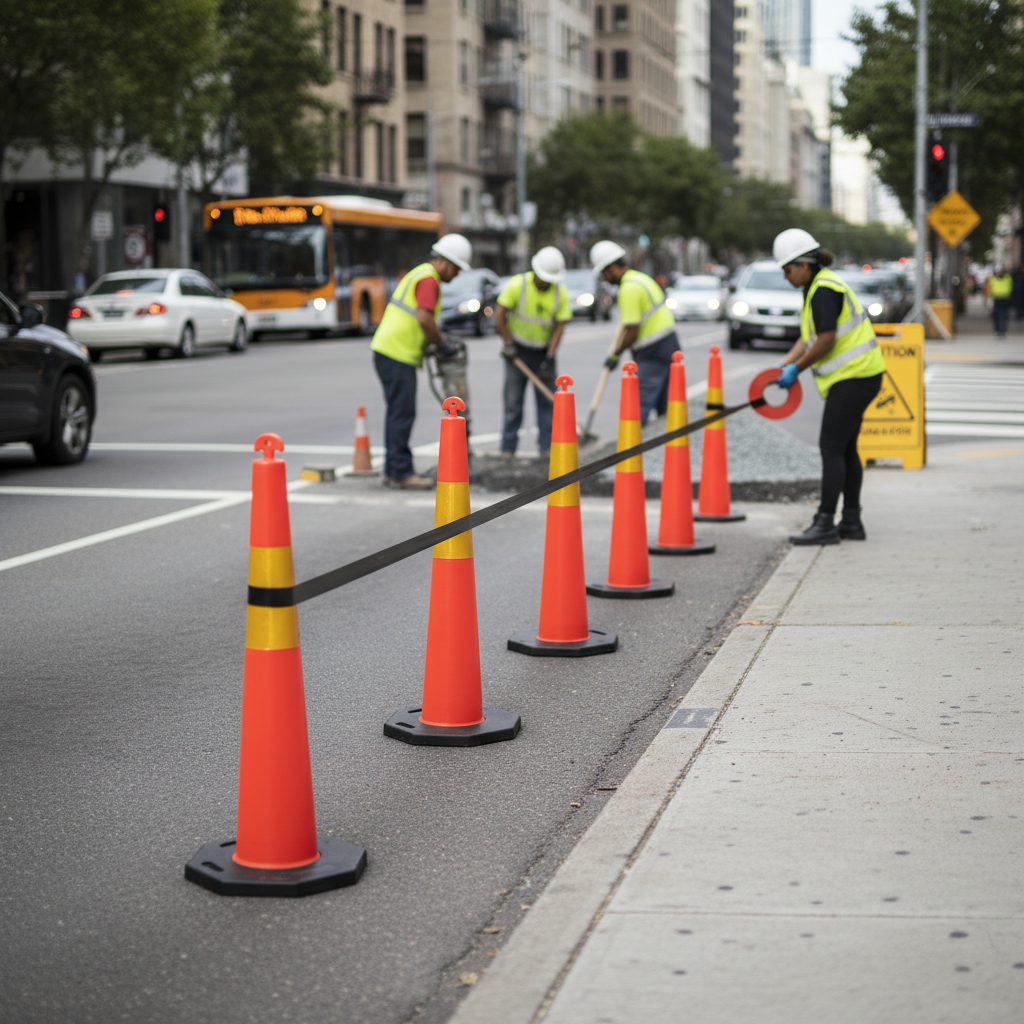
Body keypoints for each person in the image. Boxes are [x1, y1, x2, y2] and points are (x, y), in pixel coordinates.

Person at [772, 228, 886, 545]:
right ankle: (851, 522)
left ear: (805, 264)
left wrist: (796, 368)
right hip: (860, 376)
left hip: (855, 376)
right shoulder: (815, 287)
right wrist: (786, 363)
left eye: (787, 269)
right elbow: (808, 337)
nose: (785, 276)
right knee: (846, 449)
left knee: (831, 447)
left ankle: (824, 523)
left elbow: (825, 339)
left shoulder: (824, 289)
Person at [371, 233, 472, 488]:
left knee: (398, 413)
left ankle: (393, 470)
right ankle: (401, 473)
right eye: (457, 268)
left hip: (390, 351)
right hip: (396, 353)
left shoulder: (421, 273)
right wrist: (442, 344)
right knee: (402, 414)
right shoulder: (429, 280)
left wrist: (431, 343)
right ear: (445, 262)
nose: (457, 274)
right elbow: (425, 319)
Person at [590, 240, 679, 425]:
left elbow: (632, 329)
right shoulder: (640, 278)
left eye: (603, 274)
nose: (605, 279)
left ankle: (633, 450)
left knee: (638, 411)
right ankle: (668, 451)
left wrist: (616, 354)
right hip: (668, 345)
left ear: (612, 268)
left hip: (652, 352)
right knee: (667, 413)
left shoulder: (628, 289)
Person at [495, 246, 572, 458]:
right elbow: (500, 313)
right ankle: (507, 450)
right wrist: (508, 343)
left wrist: (549, 356)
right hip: (517, 352)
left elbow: (559, 327)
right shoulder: (517, 286)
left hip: (543, 354)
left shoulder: (559, 293)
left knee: (547, 404)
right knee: (513, 404)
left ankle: (547, 449)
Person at [989, 266, 1013, 337]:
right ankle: (997, 330)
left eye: (1000, 272)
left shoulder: (1007, 278)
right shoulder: (992, 279)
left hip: (1005, 300)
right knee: (996, 316)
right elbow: (989, 288)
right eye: (997, 273)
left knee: (1004, 316)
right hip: (996, 300)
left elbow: (1011, 287)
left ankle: (1003, 330)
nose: (998, 274)